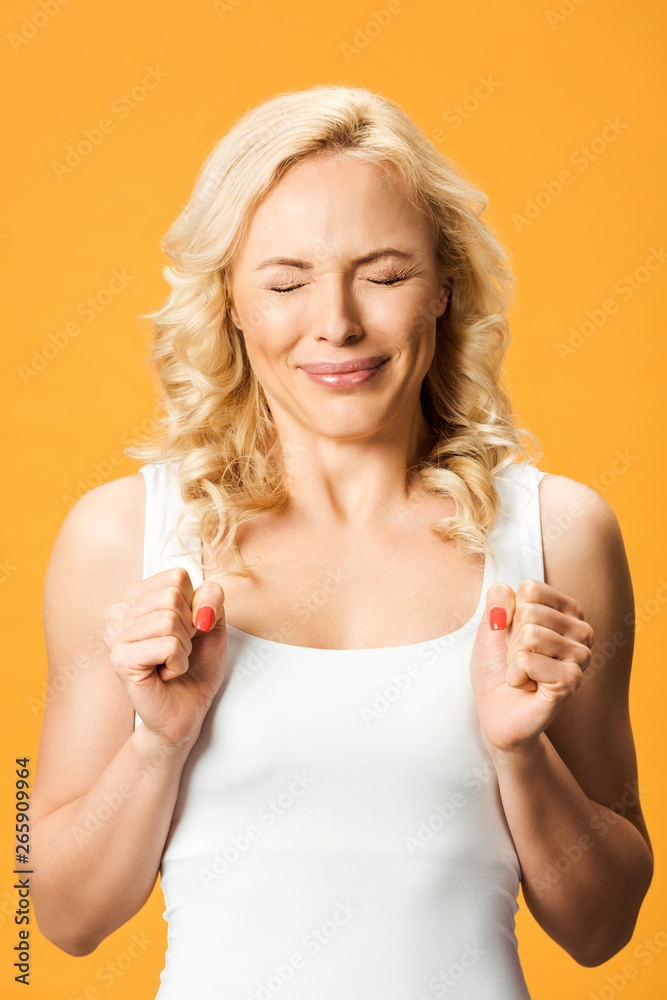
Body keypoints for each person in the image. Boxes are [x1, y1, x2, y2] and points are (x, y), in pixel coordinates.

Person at [31, 84, 652, 999]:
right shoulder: (124, 537)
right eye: (285, 282)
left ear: (444, 286)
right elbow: (55, 915)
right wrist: (156, 748)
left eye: (386, 273)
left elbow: (604, 927)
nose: (337, 324)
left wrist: (522, 754)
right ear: (230, 301)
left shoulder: (557, 535)